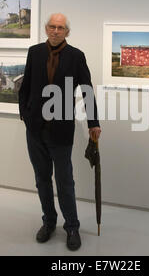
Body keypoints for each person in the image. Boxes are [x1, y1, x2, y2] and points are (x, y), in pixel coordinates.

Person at [18, 13, 101, 251]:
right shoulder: (35, 52)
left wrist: (93, 122)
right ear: (46, 28)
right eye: (52, 27)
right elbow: (25, 87)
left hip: (61, 130)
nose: (56, 31)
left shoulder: (76, 57)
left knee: (65, 181)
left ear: (67, 31)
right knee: (42, 179)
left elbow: (87, 90)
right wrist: (24, 113)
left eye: (61, 27)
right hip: (35, 130)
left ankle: (72, 226)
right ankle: (49, 222)